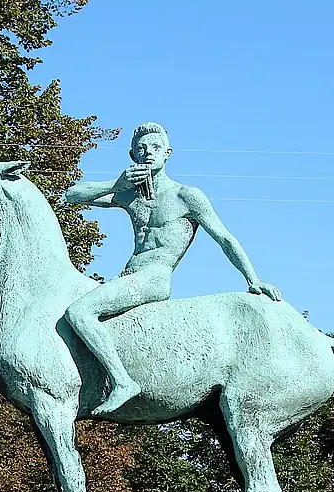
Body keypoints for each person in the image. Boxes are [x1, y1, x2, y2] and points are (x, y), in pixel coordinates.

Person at [64, 122, 281, 415]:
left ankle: (123, 382)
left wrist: (253, 279)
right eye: (141, 149)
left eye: (154, 148)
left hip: (154, 276)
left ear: (168, 153)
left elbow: (225, 238)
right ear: (132, 155)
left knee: (79, 312)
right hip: (128, 274)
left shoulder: (186, 196)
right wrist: (115, 186)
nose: (147, 153)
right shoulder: (129, 195)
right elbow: (72, 196)